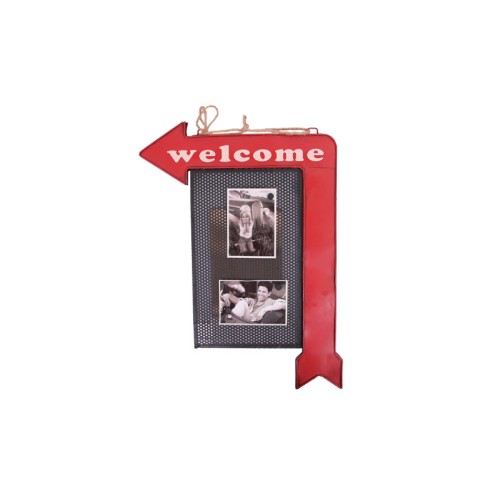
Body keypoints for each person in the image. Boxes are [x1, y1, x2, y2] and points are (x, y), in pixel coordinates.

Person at [220, 281, 285, 324]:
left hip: (250, 323)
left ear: (269, 293)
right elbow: (237, 300)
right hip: (241, 319)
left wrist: (264, 310)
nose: (260, 294)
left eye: (264, 292)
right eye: (259, 291)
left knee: (242, 303)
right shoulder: (251, 301)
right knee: (234, 300)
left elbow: (284, 304)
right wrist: (226, 296)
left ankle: (230, 321)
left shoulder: (270, 301)